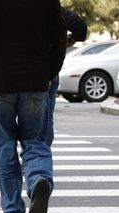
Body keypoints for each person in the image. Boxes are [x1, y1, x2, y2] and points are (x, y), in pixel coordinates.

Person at [0, 0, 67, 213]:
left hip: (1, 80)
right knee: (35, 139)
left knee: (5, 142)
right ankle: (38, 181)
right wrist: (50, 71)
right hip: (35, 79)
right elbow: (60, 35)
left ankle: (13, 209)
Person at [46, 8, 87, 146]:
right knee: (44, 122)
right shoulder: (50, 6)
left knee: (8, 130)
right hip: (47, 71)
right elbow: (80, 28)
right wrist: (67, 41)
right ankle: (37, 162)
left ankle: (30, 162)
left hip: (12, 73)